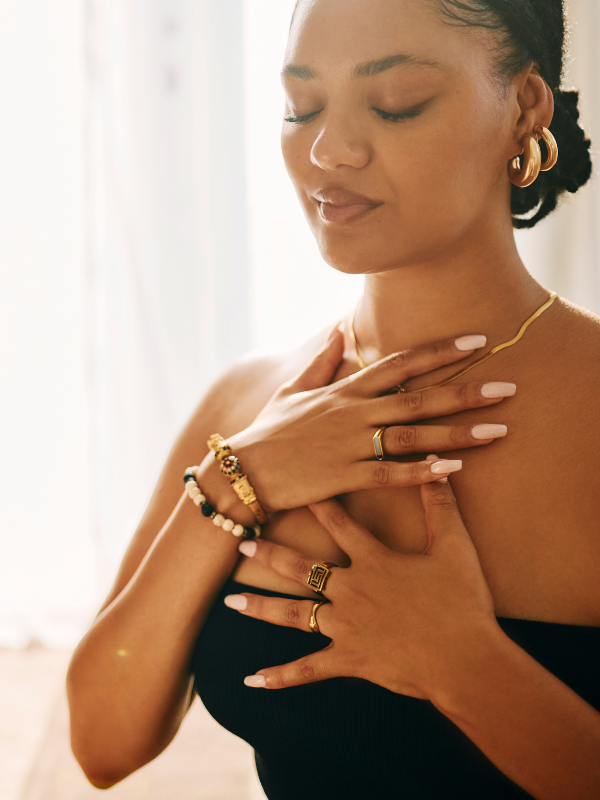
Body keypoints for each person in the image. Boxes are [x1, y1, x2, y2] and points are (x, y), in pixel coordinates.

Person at [67, 0, 600, 797]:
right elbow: (103, 744)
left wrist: (464, 666)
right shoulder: (244, 406)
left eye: (396, 105)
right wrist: (235, 481)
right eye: (300, 106)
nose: (327, 151)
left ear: (524, 107)